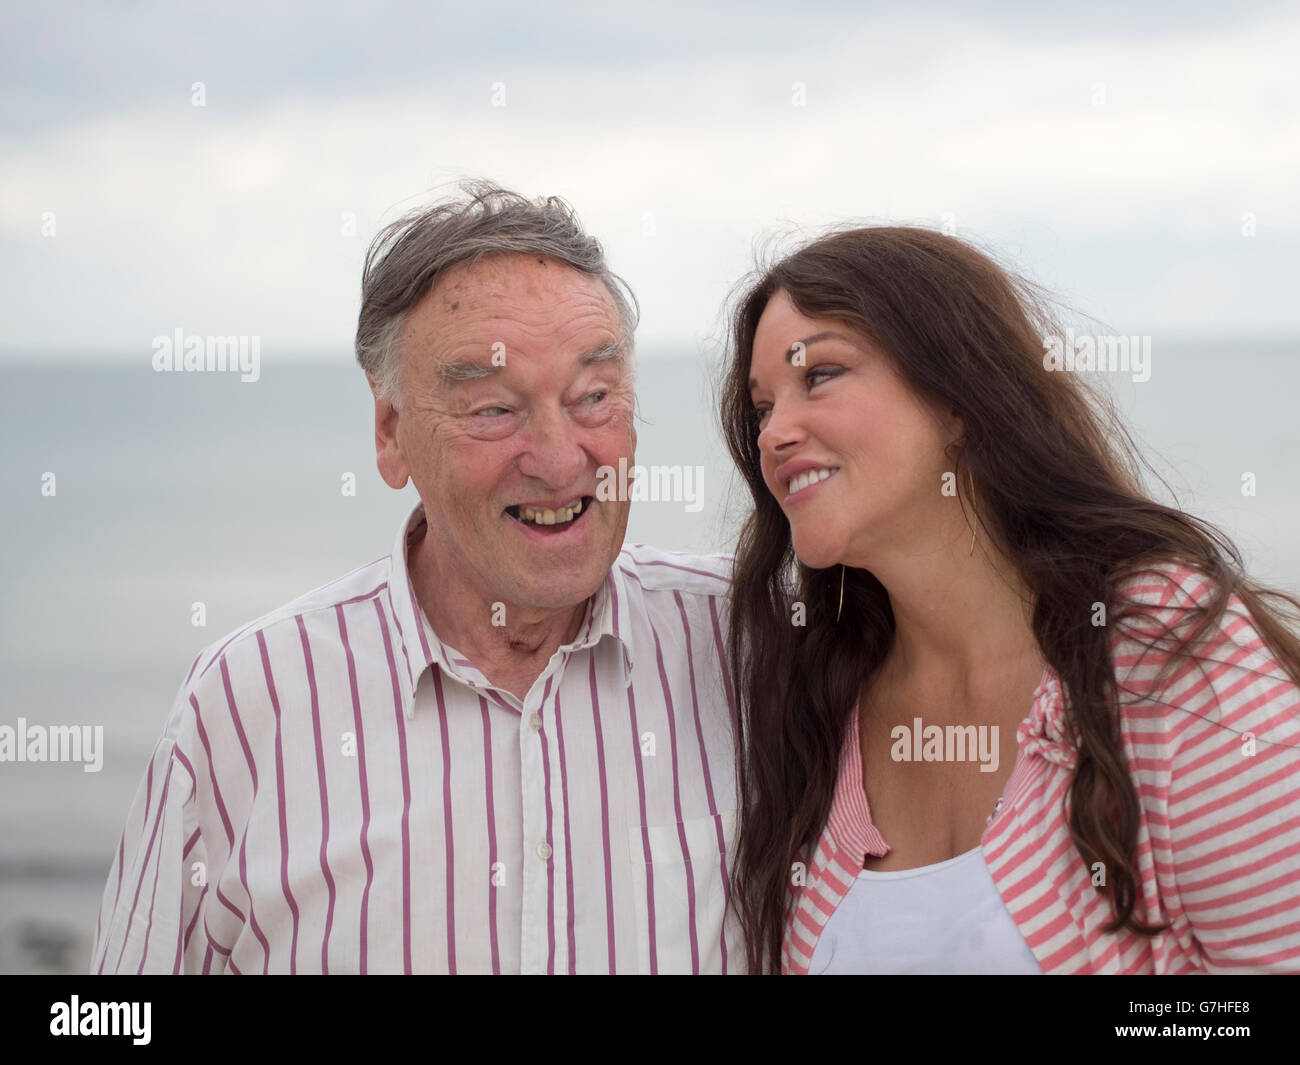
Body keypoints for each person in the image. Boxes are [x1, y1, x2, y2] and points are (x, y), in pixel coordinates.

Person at [91, 182, 741, 974]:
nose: (562, 457)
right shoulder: (245, 701)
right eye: (495, 409)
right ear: (391, 433)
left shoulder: (748, 645)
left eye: (594, 396)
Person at [717, 225, 1300, 974]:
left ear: (958, 400)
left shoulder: (1165, 654)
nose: (774, 435)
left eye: (820, 374)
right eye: (763, 407)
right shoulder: (817, 696)